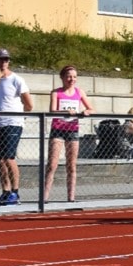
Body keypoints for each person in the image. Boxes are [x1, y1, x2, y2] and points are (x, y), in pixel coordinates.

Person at [44, 65, 95, 202]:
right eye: (68, 76)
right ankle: (44, 198)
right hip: (58, 130)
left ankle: (71, 198)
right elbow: (52, 111)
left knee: (71, 166)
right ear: (62, 78)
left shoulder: (80, 92)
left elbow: (91, 108)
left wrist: (86, 112)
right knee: (52, 165)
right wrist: (65, 113)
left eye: (74, 77)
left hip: (72, 130)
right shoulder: (56, 92)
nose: (71, 79)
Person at [0, 48, 34, 205]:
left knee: (9, 157)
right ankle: (6, 191)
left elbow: (28, 104)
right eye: (1, 59)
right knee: (0, 159)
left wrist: (20, 119)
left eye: (6, 59)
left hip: (13, 123)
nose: (4, 62)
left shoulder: (17, 79)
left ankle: (15, 192)